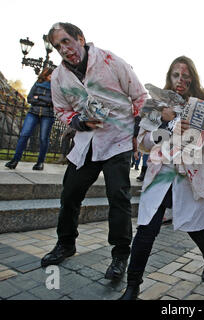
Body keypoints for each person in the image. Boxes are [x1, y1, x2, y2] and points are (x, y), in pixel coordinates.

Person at [40, 23, 147, 283]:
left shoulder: (110, 61)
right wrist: (79, 122)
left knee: (118, 197)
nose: (64, 49)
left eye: (67, 41)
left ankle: (120, 255)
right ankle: (66, 244)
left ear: (80, 38)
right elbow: (62, 111)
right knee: (70, 193)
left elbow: (141, 97)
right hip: (86, 142)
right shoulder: (58, 78)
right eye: (57, 46)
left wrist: (133, 131)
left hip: (117, 141)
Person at [119, 56, 204, 300]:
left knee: (195, 228)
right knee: (146, 229)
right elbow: (144, 142)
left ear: (193, 79)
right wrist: (166, 127)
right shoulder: (156, 105)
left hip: (189, 177)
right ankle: (132, 286)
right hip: (160, 176)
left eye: (186, 76)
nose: (180, 80)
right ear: (170, 77)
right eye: (176, 75)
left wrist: (195, 134)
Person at [5, 67, 55, 171]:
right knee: (24, 135)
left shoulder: (56, 86)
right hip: (33, 113)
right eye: (50, 75)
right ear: (45, 75)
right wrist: (45, 101)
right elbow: (30, 98)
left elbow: (54, 101)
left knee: (43, 138)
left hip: (48, 115)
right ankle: (14, 160)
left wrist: (39, 98)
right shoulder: (37, 84)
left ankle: (40, 162)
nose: (52, 76)